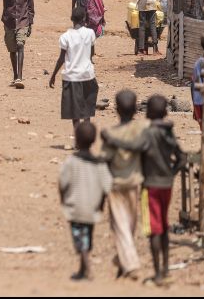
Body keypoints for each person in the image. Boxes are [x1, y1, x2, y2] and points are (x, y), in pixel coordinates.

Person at [102, 95, 186, 287]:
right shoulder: (168, 132)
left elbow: (134, 146)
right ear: (165, 112)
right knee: (164, 227)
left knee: (154, 230)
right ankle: (165, 269)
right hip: (167, 185)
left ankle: (158, 274)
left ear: (147, 113)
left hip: (150, 186)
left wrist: (112, 139)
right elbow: (181, 158)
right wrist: (171, 174)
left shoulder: (148, 134)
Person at [99, 89, 149, 280]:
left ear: (117, 110)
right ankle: (126, 260)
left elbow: (104, 160)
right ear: (136, 109)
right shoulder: (141, 130)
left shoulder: (111, 134)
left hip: (117, 185)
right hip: (135, 183)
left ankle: (130, 264)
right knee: (130, 224)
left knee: (120, 226)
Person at [58, 121, 113, 281]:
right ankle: (82, 268)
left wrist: (63, 199)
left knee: (79, 238)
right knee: (87, 236)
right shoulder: (100, 164)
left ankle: (87, 266)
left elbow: (62, 182)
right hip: (93, 207)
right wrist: (101, 204)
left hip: (75, 207)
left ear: (76, 140)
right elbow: (107, 186)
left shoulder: (72, 162)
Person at [49, 7, 99, 130]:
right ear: (84, 19)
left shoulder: (65, 36)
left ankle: (78, 138)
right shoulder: (90, 33)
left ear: (72, 19)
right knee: (87, 111)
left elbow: (61, 58)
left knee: (75, 112)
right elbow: (91, 53)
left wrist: (53, 75)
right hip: (87, 75)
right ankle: (86, 137)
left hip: (71, 77)